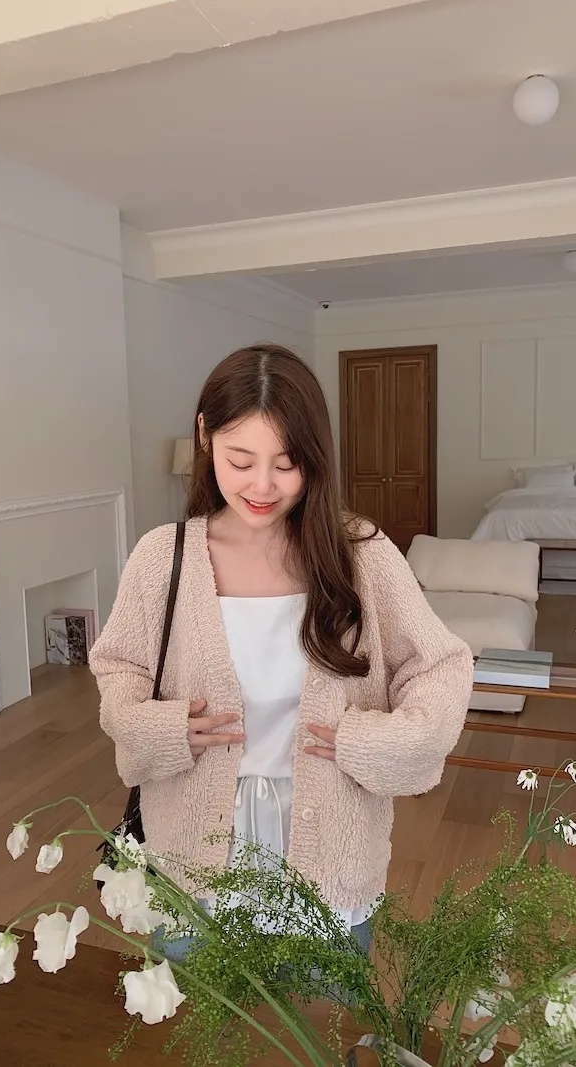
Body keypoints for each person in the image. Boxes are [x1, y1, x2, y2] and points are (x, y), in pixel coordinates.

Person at [89, 342, 473, 958]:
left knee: (321, 1012)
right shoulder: (165, 556)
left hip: (329, 845)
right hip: (193, 842)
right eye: (240, 461)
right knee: (195, 1006)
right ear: (204, 436)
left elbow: (441, 666)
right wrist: (163, 729)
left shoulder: (360, 554)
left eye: (287, 465)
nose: (262, 486)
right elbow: (120, 669)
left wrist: (375, 742)